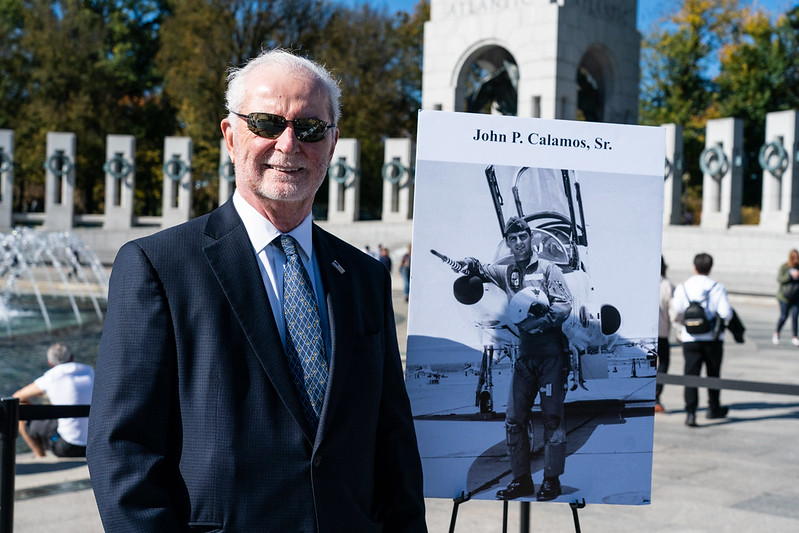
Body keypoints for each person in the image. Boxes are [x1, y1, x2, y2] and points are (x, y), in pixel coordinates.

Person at [87, 49, 426, 532]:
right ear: (230, 136)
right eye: (267, 124)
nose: (289, 144)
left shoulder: (364, 277)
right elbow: (123, 451)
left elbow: (393, 444)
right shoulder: (159, 267)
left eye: (310, 128)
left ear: (332, 144)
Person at [453, 216, 572, 501]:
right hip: (526, 358)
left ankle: (551, 481)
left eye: (522, 237)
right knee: (514, 420)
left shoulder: (549, 270)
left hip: (551, 357)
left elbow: (564, 305)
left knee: (552, 419)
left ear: (530, 238)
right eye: (513, 239)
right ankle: (521, 480)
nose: (518, 243)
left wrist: (540, 321)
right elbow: (481, 269)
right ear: (508, 242)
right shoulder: (507, 272)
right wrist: (467, 263)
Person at [670, 253, 733, 427]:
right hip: (712, 339)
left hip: (690, 338)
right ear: (710, 268)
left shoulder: (683, 287)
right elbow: (726, 313)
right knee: (713, 374)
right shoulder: (717, 287)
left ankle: (691, 413)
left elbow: (677, 310)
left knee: (691, 375)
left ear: (694, 266)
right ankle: (713, 408)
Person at [13, 343, 94, 458]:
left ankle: (39, 456)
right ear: (72, 358)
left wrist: (39, 396)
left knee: (20, 408)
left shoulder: (51, 377)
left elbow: (16, 397)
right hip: (93, 443)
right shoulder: (89, 370)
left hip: (67, 447)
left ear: (50, 363)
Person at [655, 257, 674, 412]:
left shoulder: (642, 282)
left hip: (644, 333)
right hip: (661, 333)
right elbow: (673, 312)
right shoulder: (667, 285)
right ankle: (656, 395)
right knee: (664, 363)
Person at [773, 249, 799, 346]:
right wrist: (790, 276)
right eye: (793, 258)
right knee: (784, 316)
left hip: (796, 296)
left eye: (797, 257)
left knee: (795, 316)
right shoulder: (785, 267)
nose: (795, 260)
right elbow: (780, 279)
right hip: (784, 296)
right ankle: (777, 333)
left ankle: (795, 337)